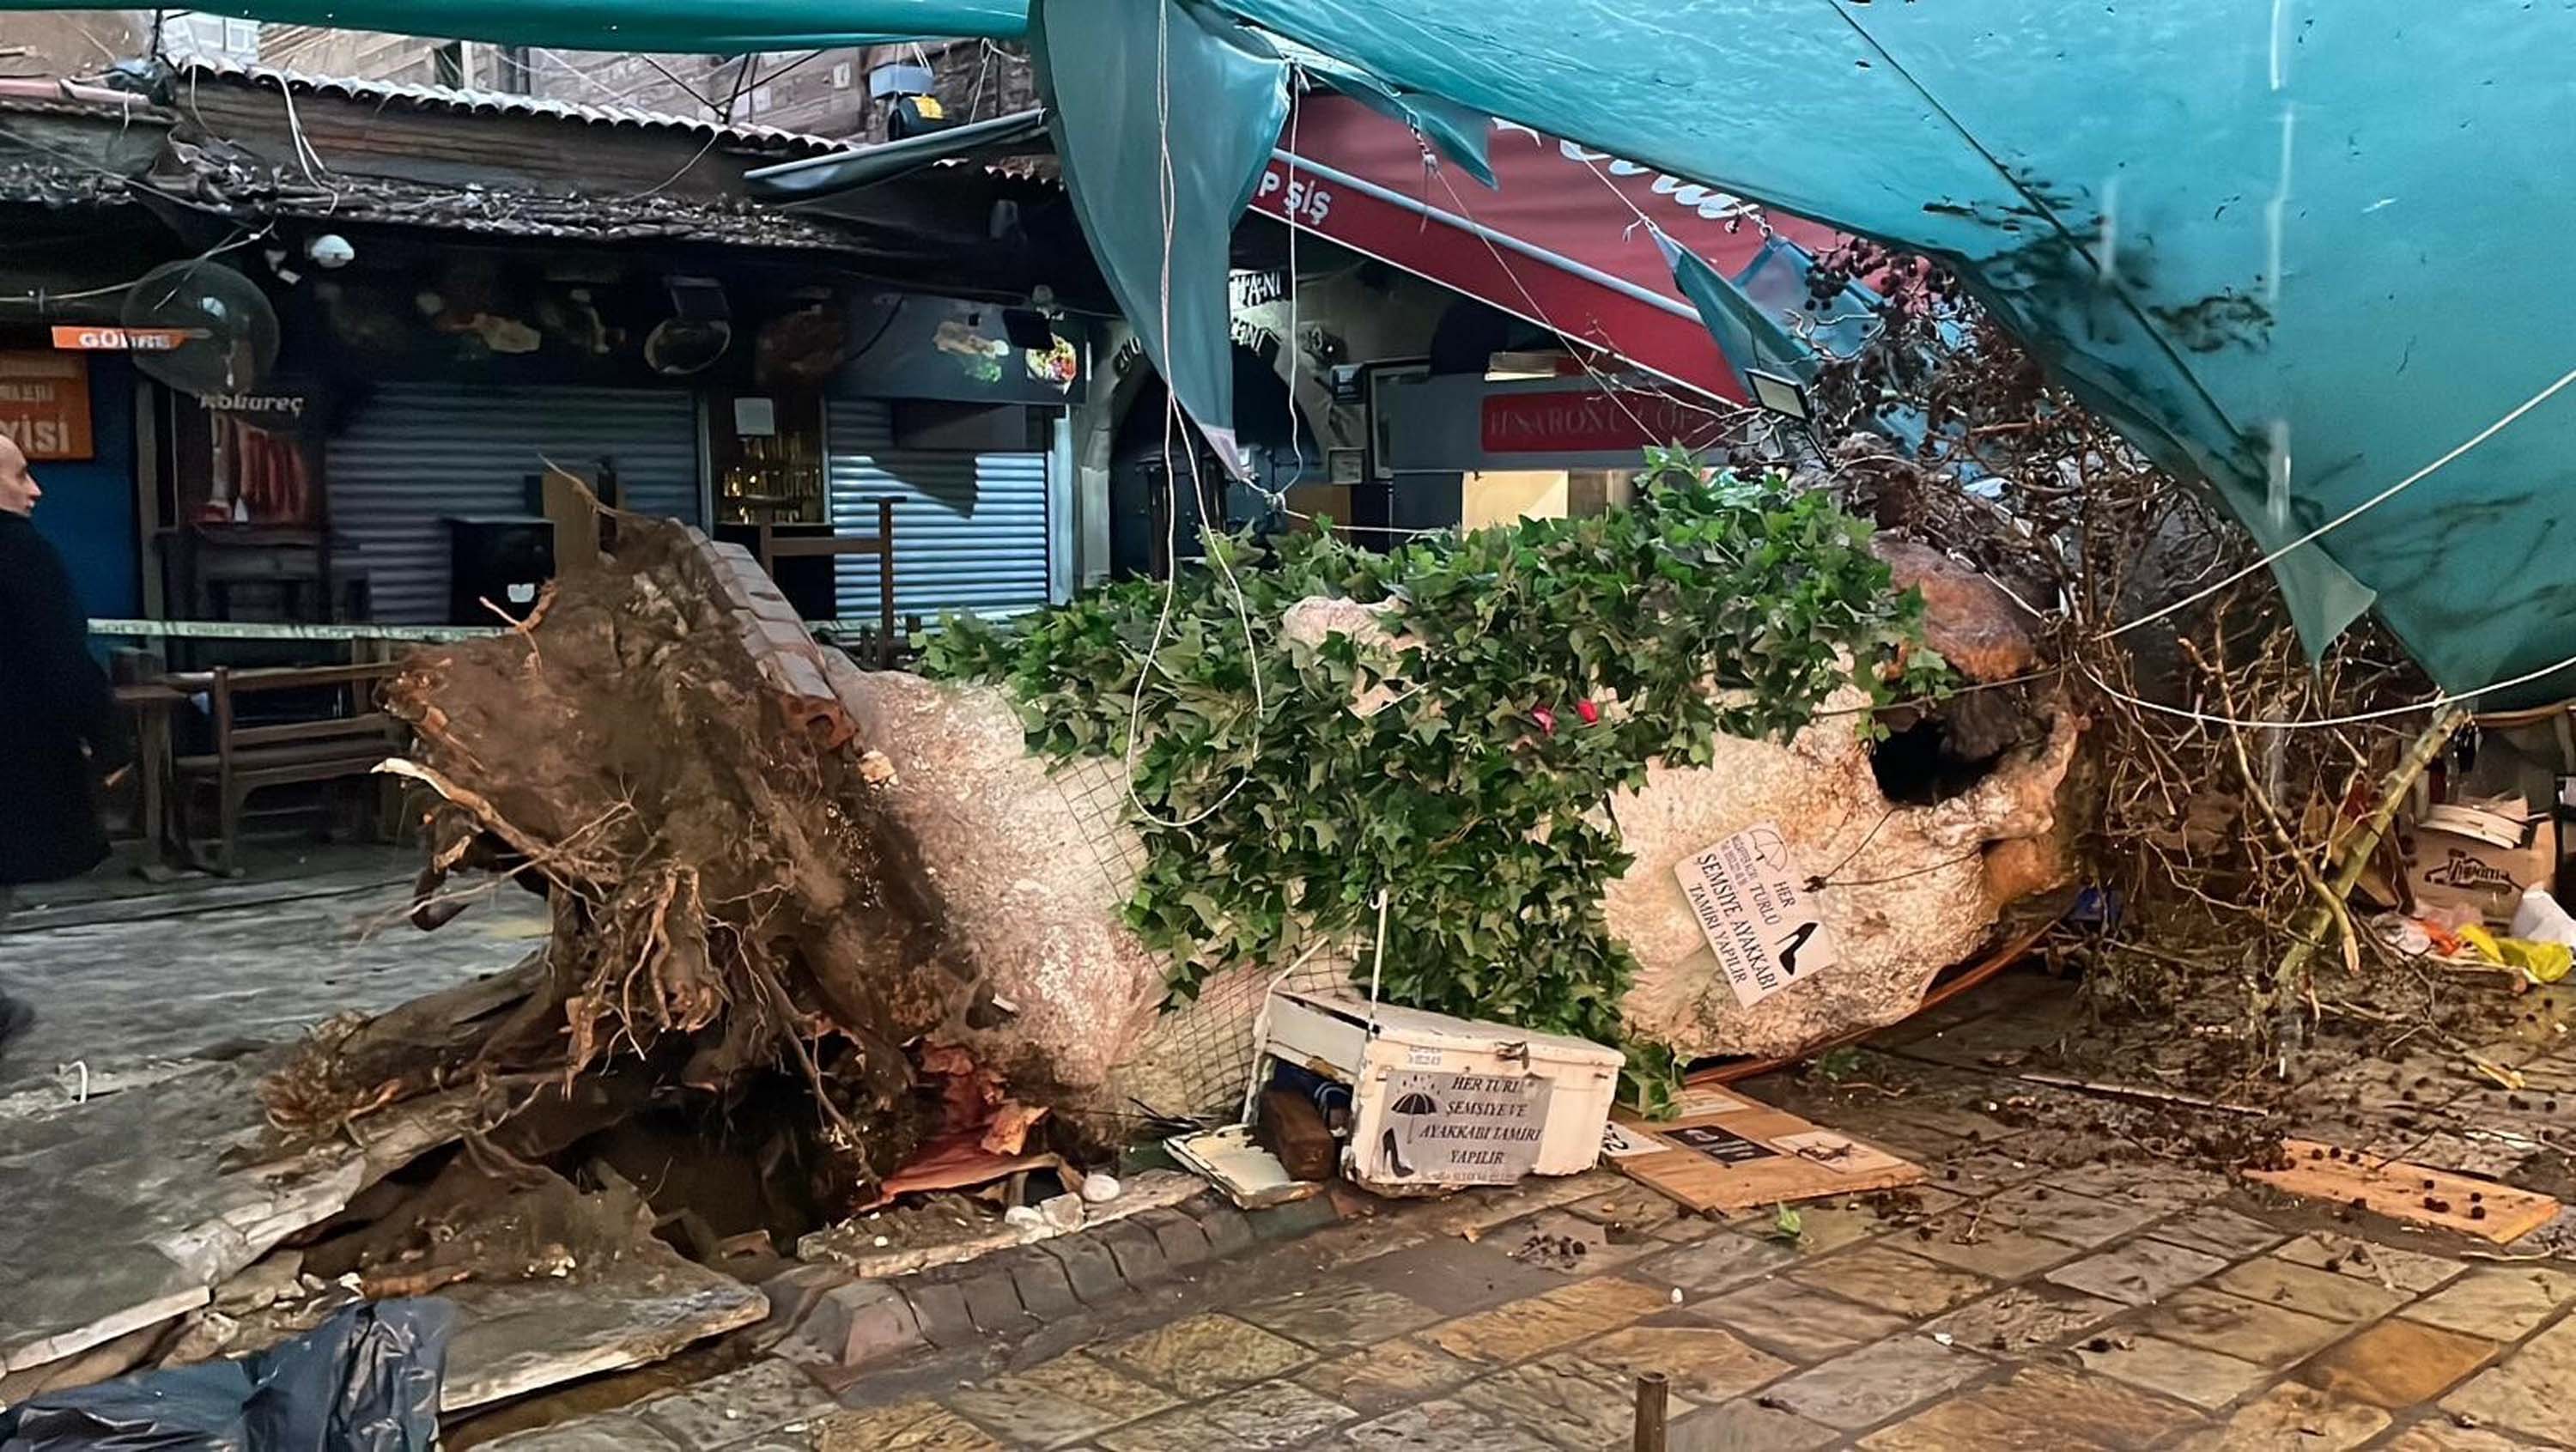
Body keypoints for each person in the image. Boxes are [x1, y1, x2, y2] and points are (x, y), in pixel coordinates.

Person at [0, 433, 125, 1053]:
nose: (35, 490)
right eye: (20, 474)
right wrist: (108, 739)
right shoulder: (20, 554)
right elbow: (62, 658)